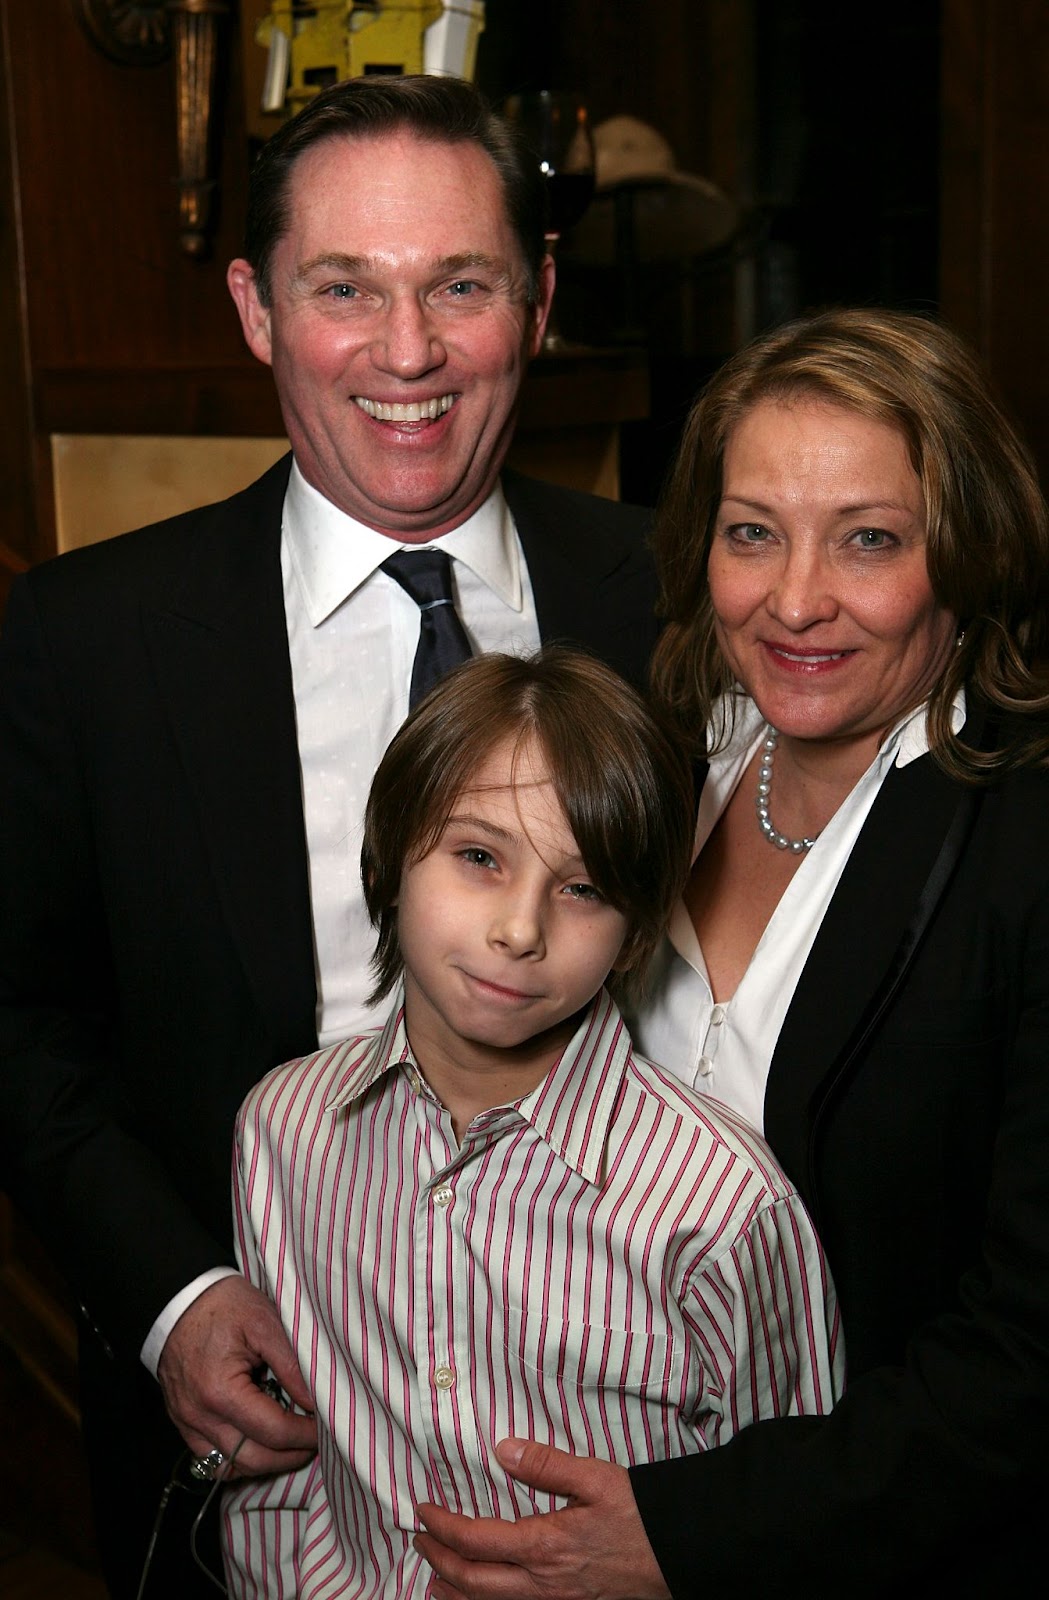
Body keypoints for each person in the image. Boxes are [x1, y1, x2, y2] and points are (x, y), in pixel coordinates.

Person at [0, 76, 660, 1600]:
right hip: (252, 1429)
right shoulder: (90, 640)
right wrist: (173, 1298)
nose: (408, 353)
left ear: (540, 302)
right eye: (342, 290)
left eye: (462, 287)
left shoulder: (674, 601)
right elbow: (24, 1021)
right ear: (255, 308)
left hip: (610, 1426)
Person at [413, 308, 1049, 1598]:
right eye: (750, 531)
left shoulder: (1019, 838)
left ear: (967, 552)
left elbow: (1027, 1352)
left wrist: (694, 1530)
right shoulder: (668, 762)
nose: (794, 598)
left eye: (868, 539)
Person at [220, 646, 843, 1599]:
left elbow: (792, 1526)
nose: (519, 929)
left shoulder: (721, 1207)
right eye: (478, 857)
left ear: (635, 933)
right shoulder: (284, 1132)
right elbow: (281, 1474)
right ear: (389, 860)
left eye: (582, 888)